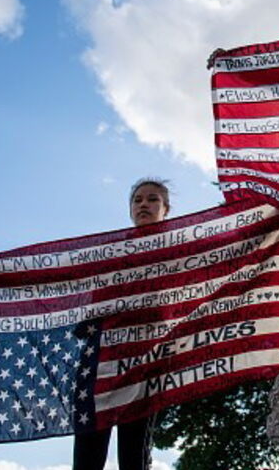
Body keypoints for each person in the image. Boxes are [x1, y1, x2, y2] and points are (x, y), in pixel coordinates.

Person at [71, 178, 170, 470]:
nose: (144, 204)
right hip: (100, 360)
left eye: (152, 199)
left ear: (166, 208)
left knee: (134, 454)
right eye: (137, 200)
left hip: (144, 361)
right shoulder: (111, 252)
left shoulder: (177, 248)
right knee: (88, 452)